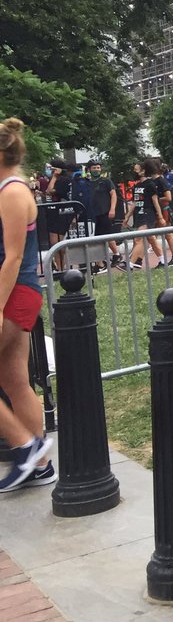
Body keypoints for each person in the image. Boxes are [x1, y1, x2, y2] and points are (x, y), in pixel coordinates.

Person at [0, 120, 56, 492]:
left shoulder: (12, 192)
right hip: (15, 292)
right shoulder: (8, 189)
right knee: (15, 380)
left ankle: (25, 447)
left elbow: (14, 257)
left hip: (14, 293)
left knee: (16, 379)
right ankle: (39, 465)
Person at [86, 160, 125, 273]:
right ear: (89, 169)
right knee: (100, 238)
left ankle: (111, 258)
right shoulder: (88, 182)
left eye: (98, 167)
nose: (96, 170)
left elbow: (113, 194)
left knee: (105, 236)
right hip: (93, 214)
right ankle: (103, 261)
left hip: (105, 212)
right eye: (94, 168)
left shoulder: (106, 181)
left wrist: (112, 209)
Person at [126, 161, 166, 269]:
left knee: (138, 239)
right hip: (139, 214)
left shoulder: (150, 184)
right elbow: (135, 202)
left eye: (137, 169)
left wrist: (160, 217)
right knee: (151, 238)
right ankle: (163, 261)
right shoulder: (136, 186)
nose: (135, 171)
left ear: (143, 171)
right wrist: (127, 216)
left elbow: (155, 201)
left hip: (148, 214)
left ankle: (130, 264)